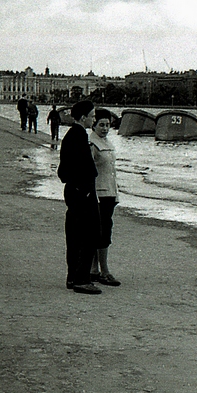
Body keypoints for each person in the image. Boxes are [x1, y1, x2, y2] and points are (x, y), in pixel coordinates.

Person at [57, 100, 102, 295]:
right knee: (90, 234)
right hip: (81, 192)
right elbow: (73, 169)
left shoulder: (72, 135)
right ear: (83, 117)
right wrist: (83, 189)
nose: (94, 119)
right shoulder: (78, 136)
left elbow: (64, 170)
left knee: (75, 235)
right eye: (92, 116)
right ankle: (82, 279)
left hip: (76, 191)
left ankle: (73, 276)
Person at [90, 108, 121, 286]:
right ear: (94, 125)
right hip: (98, 194)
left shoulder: (107, 142)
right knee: (101, 232)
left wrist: (116, 194)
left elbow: (111, 172)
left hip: (109, 192)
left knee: (103, 230)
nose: (105, 128)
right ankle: (104, 271)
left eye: (108, 125)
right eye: (101, 124)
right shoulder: (92, 143)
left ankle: (95, 269)